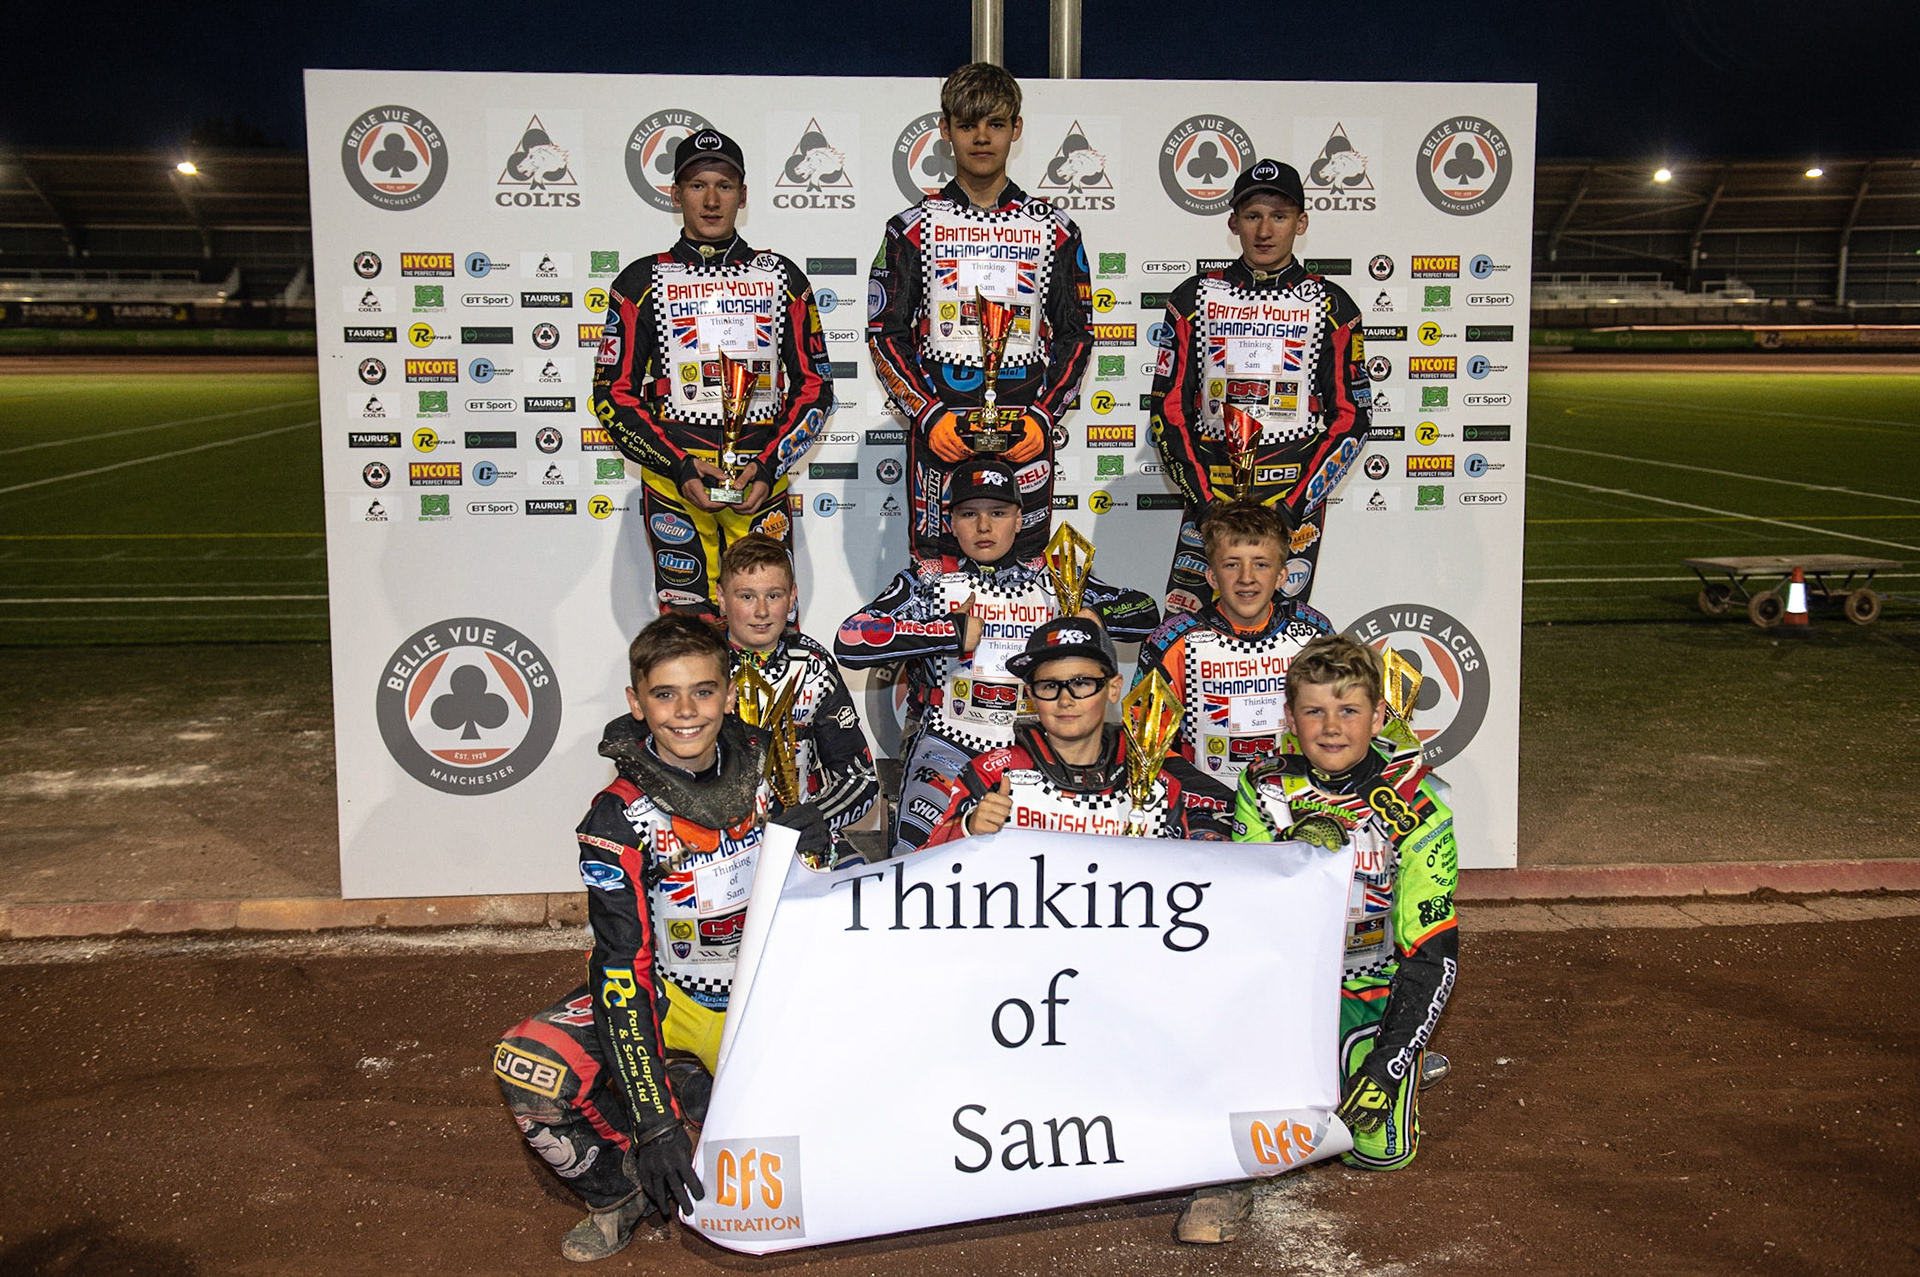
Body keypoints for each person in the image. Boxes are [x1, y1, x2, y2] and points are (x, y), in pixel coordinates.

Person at [492, 614, 831, 1262]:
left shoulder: (764, 756)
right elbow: (623, 969)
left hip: (763, 993)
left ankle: (701, 1097)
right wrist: (653, 1123)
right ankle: (618, 1192)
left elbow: (804, 886)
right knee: (527, 1065)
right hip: (671, 995)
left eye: (703, 691)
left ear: (728, 694)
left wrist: (811, 848)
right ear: (635, 701)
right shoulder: (615, 819)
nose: (686, 711)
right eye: (665, 694)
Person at [1174, 634, 1458, 1245]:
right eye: (1314, 711)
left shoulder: (1419, 804)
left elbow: (1433, 953)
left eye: (1349, 710)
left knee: (1378, 1152)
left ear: (1380, 717)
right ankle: (1224, 1176)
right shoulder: (1265, 788)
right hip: (1283, 986)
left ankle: (1395, 1060)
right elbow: (1245, 913)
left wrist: (1389, 1063)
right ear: (1289, 718)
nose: (1332, 727)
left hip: (1370, 988)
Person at [834, 459, 1159, 857]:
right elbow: (851, 638)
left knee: (1049, 861)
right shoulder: (930, 579)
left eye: (998, 513)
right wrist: (948, 631)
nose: (984, 527)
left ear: (1020, 519)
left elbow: (1145, 611)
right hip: (950, 742)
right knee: (917, 859)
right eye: (969, 514)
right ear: (951, 522)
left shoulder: (1053, 577)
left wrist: (1097, 617)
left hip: (1038, 748)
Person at [593, 129, 834, 621]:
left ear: (743, 195)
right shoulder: (640, 281)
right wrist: (678, 465)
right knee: (687, 636)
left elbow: (816, 388)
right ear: (675, 193)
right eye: (697, 184)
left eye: (724, 185)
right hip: (676, 486)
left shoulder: (782, 278)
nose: (710, 199)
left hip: (758, 483)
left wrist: (769, 465)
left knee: (769, 634)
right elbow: (611, 395)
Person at [868, 61, 1093, 561]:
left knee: (1026, 579)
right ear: (945, 130)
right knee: (936, 579)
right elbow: (885, 333)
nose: (982, 138)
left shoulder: (1053, 227)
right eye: (968, 125)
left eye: (995, 123)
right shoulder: (909, 227)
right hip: (941, 432)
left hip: (1025, 433)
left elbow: (1077, 334)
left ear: (1016, 128)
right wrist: (927, 415)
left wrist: (1044, 415)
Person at [1147, 159, 1371, 613]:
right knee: (1187, 629)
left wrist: (1293, 507)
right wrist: (1205, 503)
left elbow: (1352, 419)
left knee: (1281, 634)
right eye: (1252, 216)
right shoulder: (1194, 297)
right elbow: (1168, 410)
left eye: (1280, 216)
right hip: (1210, 497)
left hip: (1289, 499)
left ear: (1301, 222)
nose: (1265, 230)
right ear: (1233, 222)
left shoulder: (1331, 303)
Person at [924, 618, 1233, 843]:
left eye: (1082, 683)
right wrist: (968, 828)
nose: (1065, 699)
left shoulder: (1155, 785)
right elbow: (925, 871)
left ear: (1114, 689)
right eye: (1049, 686)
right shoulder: (993, 774)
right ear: (1031, 695)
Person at [1132, 502, 1333, 786]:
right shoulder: (1174, 641)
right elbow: (1144, 741)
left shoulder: (1314, 634)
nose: (1246, 578)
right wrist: (1206, 795)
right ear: (1212, 576)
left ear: (1281, 576)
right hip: (1203, 804)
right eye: (1231, 565)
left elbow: (1339, 725)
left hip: (1298, 796)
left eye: (1261, 564)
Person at [719, 533, 879, 835]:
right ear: (721, 597)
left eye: (774, 595)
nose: (762, 611)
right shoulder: (692, 662)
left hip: (795, 841)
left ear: (792, 596)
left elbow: (859, 778)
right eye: (747, 596)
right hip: (715, 846)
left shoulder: (813, 665)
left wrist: (815, 820)